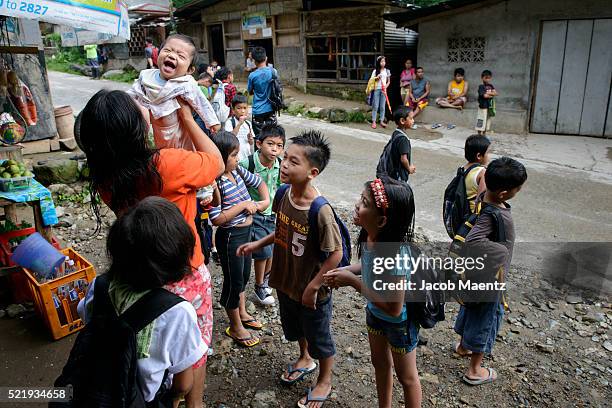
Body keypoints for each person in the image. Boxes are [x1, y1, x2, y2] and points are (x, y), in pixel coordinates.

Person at [79, 89, 225, 408]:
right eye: (139, 108)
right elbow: (215, 162)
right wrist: (186, 119)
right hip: (182, 271)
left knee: (148, 340)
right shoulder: (167, 164)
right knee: (193, 345)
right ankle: (194, 402)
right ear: (136, 128)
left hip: (135, 269)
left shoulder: (107, 176)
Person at [237, 130, 343, 408]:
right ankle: (304, 358)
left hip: (310, 289)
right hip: (286, 281)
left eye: (294, 162)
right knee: (295, 327)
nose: (284, 165)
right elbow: (280, 229)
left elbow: (336, 253)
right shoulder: (283, 193)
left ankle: (325, 379)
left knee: (320, 335)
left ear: (313, 172)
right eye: (285, 159)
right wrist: (257, 243)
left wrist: (314, 286)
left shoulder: (321, 210)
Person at [77, 197, 207, 406]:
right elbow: (184, 384)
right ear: (175, 258)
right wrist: (171, 399)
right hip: (140, 400)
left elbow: (85, 317)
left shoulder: (98, 285)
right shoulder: (177, 312)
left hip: (94, 387)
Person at [324, 176, 422, 408]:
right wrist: (346, 270)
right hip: (375, 313)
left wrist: (352, 282)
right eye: (361, 198)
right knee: (379, 364)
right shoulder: (370, 237)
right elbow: (366, 264)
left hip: (400, 323)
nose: (358, 205)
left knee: (407, 378)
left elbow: (395, 308)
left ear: (382, 220)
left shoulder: (396, 255)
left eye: (365, 203)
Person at [453, 157, 527, 386]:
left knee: (473, 310)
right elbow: (474, 242)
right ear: (504, 193)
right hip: (490, 279)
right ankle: (475, 369)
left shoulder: (484, 198)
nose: (519, 191)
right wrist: (502, 252)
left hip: (477, 277)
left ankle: (464, 346)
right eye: (517, 188)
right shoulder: (496, 213)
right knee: (488, 318)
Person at [209, 131, 270, 348]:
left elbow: (259, 182)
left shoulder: (238, 171)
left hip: (246, 233)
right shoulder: (215, 182)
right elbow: (217, 218)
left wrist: (264, 201)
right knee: (234, 280)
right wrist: (244, 206)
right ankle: (234, 326)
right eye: (233, 155)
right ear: (219, 157)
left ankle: (242, 313)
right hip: (230, 237)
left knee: (244, 275)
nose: (237, 158)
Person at [128, 34, 221, 150]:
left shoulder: (186, 83)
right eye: (167, 50)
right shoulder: (146, 75)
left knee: (180, 149)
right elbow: (132, 93)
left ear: (189, 70)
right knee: (156, 149)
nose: (171, 55)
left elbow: (201, 102)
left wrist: (212, 121)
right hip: (152, 125)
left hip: (175, 128)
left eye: (181, 56)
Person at [239, 124, 285, 306]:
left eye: (279, 146)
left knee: (272, 249)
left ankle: (266, 280)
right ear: (259, 144)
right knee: (262, 251)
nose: (275, 149)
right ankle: (259, 286)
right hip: (256, 214)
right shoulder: (248, 164)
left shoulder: (279, 165)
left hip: (273, 214)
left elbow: (281, 187)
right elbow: (237, 182)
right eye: (270, 144)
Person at [376, 106, 416, 183]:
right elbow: (403, 159)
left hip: (392, 173)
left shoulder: (396, 133)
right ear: (402, 121)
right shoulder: (403, 139)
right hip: (399, 176)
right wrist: (409, 169)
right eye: (411, 118)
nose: (413, 121)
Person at [247, 46, 278, 137]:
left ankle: (258, 151)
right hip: (271, 108)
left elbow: (250, 91)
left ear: (254, 61)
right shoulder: (273, 72)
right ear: (266, 58)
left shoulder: (252, 75)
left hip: (258, 110)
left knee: (259, 137)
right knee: (271, 136)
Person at [463, 134, 491, 213]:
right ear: (479, 156)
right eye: (488, 153)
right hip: (472, 216)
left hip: (460, 213)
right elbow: (481, 200)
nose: (489, 156)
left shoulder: (462, 169)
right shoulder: (482, 173)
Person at [224, 95, 255, 162]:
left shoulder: (248, 124)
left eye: (245, 108)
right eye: (239, 108)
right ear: (233, 110)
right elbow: (230, 138)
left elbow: (251, 142)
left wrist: (251, 139)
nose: (243, 111)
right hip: (236, 158)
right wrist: (239, 124)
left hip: (246, 157)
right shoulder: (230, 122)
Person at [370, 56, 391, 129]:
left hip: (384, 90)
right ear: (378, 62)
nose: (383, 63)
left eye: (384, 61)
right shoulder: (375, 71)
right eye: (381, 61)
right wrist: (377, 78)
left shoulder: (387, 71)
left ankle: (381, 121)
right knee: (375, 106)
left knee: (382, 106)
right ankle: (374, 121)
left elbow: (388, 81)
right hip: (376, 89)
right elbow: (371, 81)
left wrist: (385, 87)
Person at [476, 70, 498, 135]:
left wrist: (489, 94)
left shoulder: (491, 86)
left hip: (489, 106)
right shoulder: (481, 86)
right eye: (486, 78)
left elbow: (496, 93)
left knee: (487, 120)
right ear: (482, 78)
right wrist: (491, 94)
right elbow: (484, 96)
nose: (487, 79)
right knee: (481, 119)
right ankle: (479, 134)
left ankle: (484, 134)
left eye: (489, 78)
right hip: (482, 106)